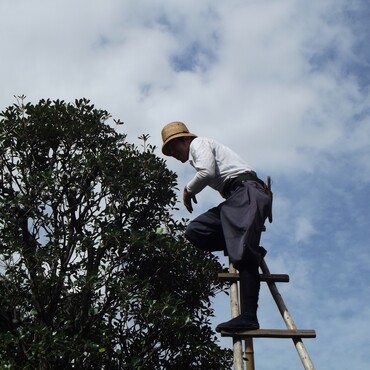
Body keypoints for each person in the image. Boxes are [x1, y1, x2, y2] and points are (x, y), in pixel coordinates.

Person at [161, 121, 272, 330]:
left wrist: (188, 190)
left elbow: (206, 173)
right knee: (195, 231)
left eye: (174, 146)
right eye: (169, 150)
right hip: (236, 197)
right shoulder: (196, 151)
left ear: (186, 139)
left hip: (246, 192)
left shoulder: (198, 143)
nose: (173, 153)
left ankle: (248, 316)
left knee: (243, 254)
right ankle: (246, 248)